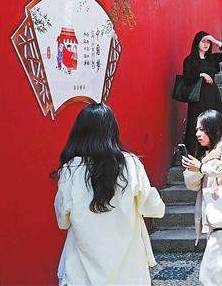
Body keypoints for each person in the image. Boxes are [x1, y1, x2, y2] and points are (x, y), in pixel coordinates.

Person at [54, 103, 165, 285]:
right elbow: (153, 208)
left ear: (80, 132)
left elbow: (63, 220)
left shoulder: (71, 169)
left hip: (82, 270)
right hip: (129, 268)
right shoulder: (130, 164)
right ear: (112, 130)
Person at [182, 110, 222, 284]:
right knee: (215, 274)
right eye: (196, 129)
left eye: (202, 129)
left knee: (210, 274)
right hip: (219, 221)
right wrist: (203, 163)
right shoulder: (209, 153)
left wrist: (202, 167)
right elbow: (191, 184)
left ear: (214, 129)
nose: (197, 134)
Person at [183, 32, 222, 154]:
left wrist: (215, 41)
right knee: (197, 123)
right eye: (203, 41)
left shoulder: (212, 59)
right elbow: (187, 78)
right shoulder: (190, 60)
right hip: (197, 96)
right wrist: (201, 74)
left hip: (212, 95)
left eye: (208, 42)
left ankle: (216, 150)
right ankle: (195, 153)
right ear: (197, 43)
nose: (206, 44)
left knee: (214, 121)